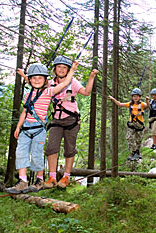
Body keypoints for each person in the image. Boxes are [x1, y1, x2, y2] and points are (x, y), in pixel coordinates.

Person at [5, 61, 79, 194]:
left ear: (46, 80)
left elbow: (64, 83)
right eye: (33, 78)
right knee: (21, 153)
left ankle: (39, 179)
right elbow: (25, 111)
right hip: (26, 128)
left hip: (39, 128)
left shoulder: (48, 92)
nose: (37, 80)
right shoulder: (28, 95)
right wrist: (18, 127)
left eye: (41, 78)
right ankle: (23, 181)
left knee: (37, 154)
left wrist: (72, 69)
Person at [43, 56, 98, 189]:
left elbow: (86, 92)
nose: (61, 70)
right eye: (59, 67)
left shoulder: (73, 82)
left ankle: (66, 176)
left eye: (64, 68)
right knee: (51, 147)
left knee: (69, 149)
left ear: (68, 70)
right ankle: (52, 177)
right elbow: (36, 84)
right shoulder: (50, 83)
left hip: (71, 119)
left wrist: (91, 78)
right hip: (56, 119)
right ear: (55, 69)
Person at [108, 88, 149, 160]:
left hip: (139, 125)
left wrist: (147, 101)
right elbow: (120, 104)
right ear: (132, 97)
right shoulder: (130, 104)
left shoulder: (142, 104)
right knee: (129, 137)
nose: (135, 98)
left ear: (139, 97)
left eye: (137, 96)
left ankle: (137, 152)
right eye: (134, 96)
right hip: (132, 124)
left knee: (138, 139)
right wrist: (112, 99)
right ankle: (133, 151)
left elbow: (147, 106)